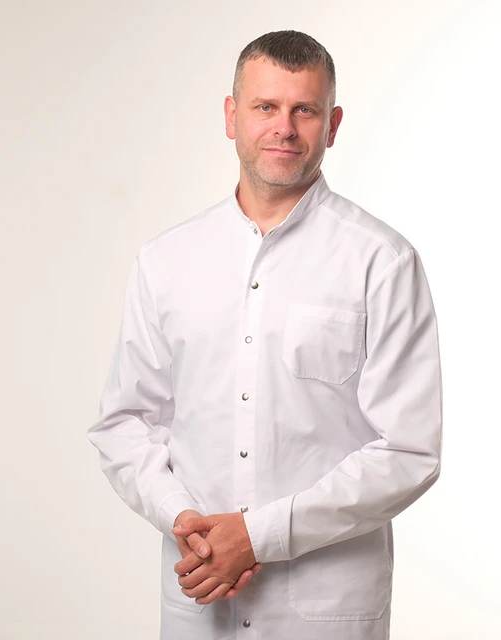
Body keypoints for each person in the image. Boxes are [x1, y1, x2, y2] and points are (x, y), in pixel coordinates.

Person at [87, 29, 443, 639]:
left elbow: (409, 450)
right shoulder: (165, 261)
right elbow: (124, 423)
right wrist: (184, 520)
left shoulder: (381, 262)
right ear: (232, 117)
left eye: (304, 110)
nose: (284, 127)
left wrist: (258, 536)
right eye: (265, 106)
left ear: (332, 124)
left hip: (325, 610)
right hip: (202, 600)